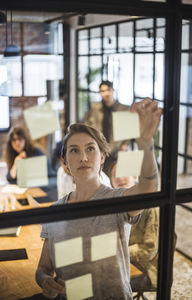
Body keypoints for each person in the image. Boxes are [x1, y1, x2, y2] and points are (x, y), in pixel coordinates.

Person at [35, 98, 162, 300]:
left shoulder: (116, 200)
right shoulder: (54, 210)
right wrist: (44, 280)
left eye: (90, 149)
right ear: (65, 161)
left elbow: (149, 188)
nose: (83, 157)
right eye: (74, 150)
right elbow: (43, 268)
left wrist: (145, 142)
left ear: (102, 157)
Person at [104, 150, 159, 291]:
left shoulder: (150, 205)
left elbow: (149, 249)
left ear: (135, 176)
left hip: (147, 270)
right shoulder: (114, 204)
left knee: (102, 285)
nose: (120, 178)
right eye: (115, 174)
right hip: (120, 264)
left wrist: (117, 253)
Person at [84, 80, 130, 150]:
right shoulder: (94, 108)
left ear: (113, 90)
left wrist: (125, 144)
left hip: (118, 149)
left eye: (108, 90)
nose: (106, 93)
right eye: (103, 91)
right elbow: (87, 126)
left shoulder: (123, 109)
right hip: (98, 147)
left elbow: (128, 128)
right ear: (100, 93)